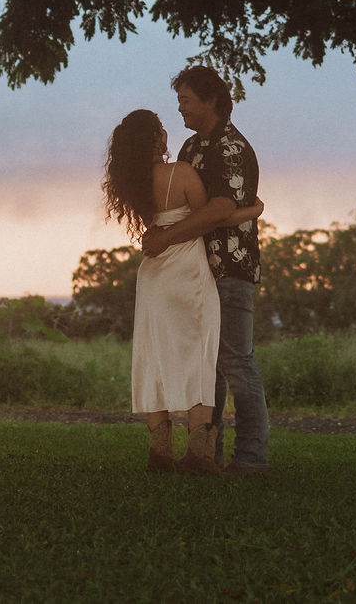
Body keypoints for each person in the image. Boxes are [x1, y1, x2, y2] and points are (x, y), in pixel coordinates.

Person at [103, 108, 263, 473]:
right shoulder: (180, 173)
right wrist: (255, 209)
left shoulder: (133, 182)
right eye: (160, 129)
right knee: (199, 356)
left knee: (154, 356)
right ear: (153, 139)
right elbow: (214, 215)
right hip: (187, 272)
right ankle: (200, 454)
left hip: (154, 276)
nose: (166, 133)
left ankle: (159, 450)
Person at [142, 65, 270, 475]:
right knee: (205, 365)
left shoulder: (231, 148)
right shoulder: (190, 149)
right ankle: (205, 455)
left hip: (230, 269)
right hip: (196, 273)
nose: (180, 108)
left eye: (185, 100)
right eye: (179, 100)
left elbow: (219, 209)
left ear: (210, 100)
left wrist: (166, 237)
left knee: (236, 361)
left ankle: (250, 458)